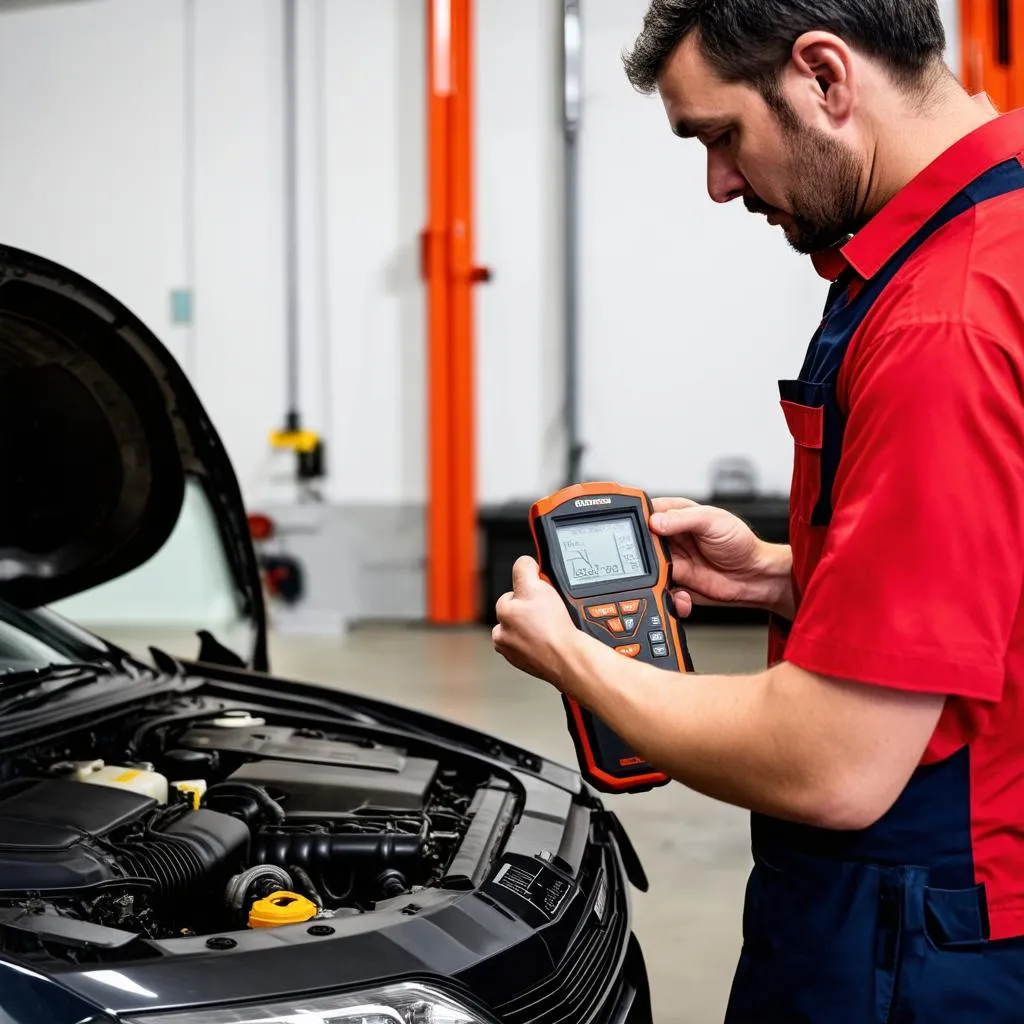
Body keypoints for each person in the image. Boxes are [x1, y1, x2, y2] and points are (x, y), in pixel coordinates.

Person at [491, 1, 1024, 1020]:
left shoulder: (938, 323)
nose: (718, 184)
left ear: (825, 75)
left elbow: (835, 763)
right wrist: (789, 572)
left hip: (914, 945)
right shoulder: (995, 236)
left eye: (721, 136)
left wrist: (577, 661)